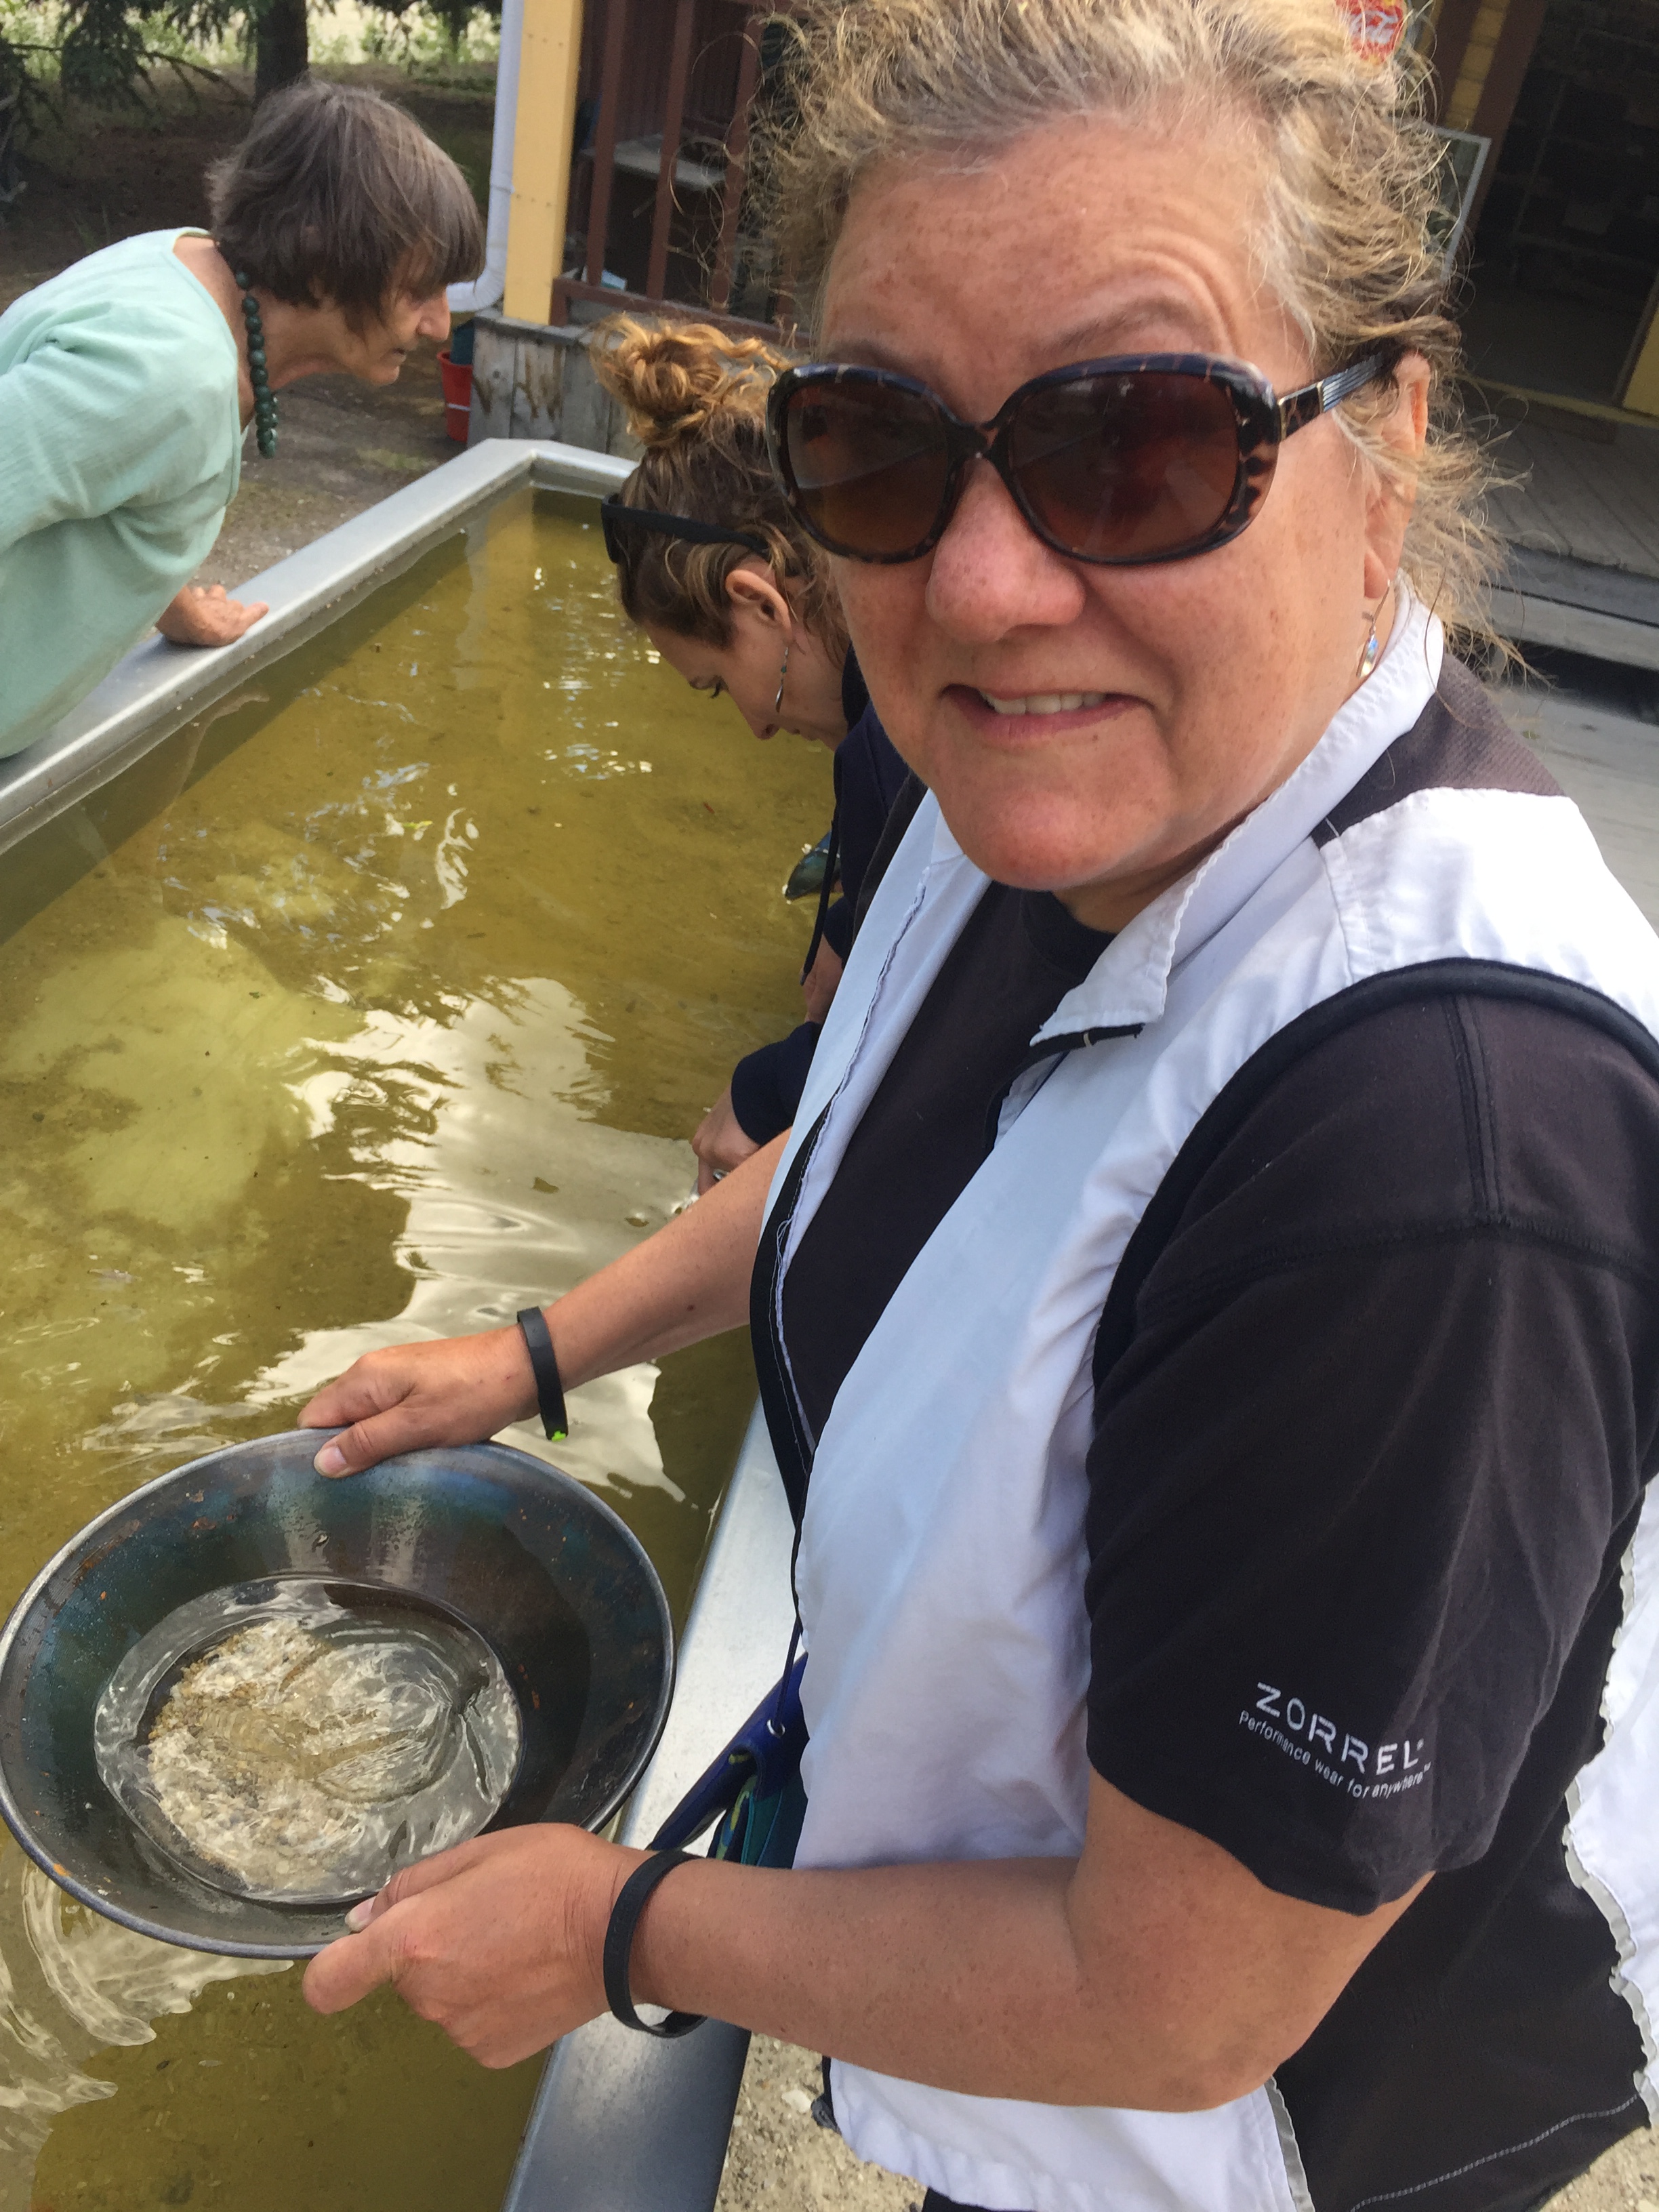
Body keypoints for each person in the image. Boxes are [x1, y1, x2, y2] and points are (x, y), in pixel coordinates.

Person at [295, 2, 1659, 2208]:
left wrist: (619, 1928)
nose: (986, 584)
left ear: (1384, 446)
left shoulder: (1434, 1160)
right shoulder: (1030, 793)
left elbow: (1177, 2001)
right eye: (878, 448)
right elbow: (860, 1155)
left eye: (1138, 444)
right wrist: (530, 1351)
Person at [0, 79, 482, 756]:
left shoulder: (192, 266)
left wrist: (164, 594)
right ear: (324, 256)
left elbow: (106, 469)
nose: (439, 324)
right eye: (419, 289)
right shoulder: (169, 372)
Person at [591, 316, 911, 1190]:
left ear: (762, 604)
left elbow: (940, 1017)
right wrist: (846, 928)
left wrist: (767, 1093)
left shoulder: (898, 746)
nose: (756, 729)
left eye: (717, 683)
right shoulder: (900, 697)